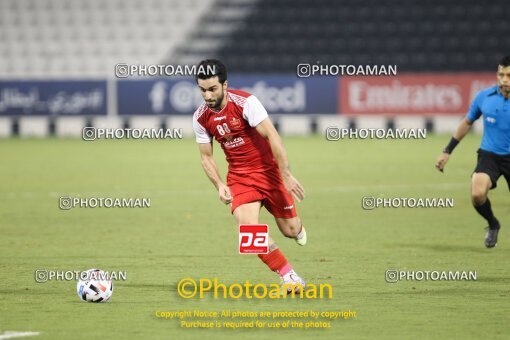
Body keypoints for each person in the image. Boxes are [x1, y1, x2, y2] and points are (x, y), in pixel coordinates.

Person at [192, 59, 308, 292]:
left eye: (212, 89)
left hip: (270, 173)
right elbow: (206, 156)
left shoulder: (245, 102)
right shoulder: (200, 118)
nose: (207, 96)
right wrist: (219, 184)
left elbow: (273, 137)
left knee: (291, 230)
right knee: (248, 233)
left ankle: (298, 229)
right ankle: (289, 277)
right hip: (240, 178)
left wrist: (285, 174)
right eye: (202, 90)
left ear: (225, 85)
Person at [436, 55, 510, 248]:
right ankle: (493, 224)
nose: (504, 80)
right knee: (477, 194)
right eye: (501, 75)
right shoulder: (484, 97)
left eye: (509, 76)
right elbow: (467, 122)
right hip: (489, 155)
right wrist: (447, 151)